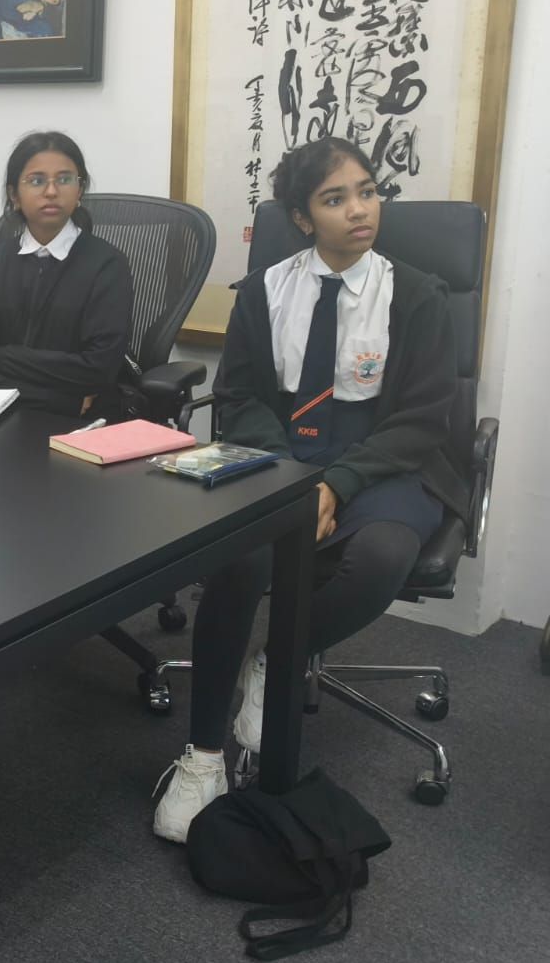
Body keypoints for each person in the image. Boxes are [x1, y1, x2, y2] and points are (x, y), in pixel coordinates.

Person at [153, 138, 469, 844]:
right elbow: (238, 396)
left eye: (367, 191)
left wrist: (338, 483)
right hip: (282, 453)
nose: (360, 210)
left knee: (383, 555)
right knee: (237, 561)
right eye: (335, 199)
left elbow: (424, 418)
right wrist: (293, 476)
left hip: (385, 460)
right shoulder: (264, 291)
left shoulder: (416, 294)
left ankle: (279, 658)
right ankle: (202, 757)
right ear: (302, 218)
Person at [0, 131, 131, 415]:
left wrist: (2, 357)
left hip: (83, 426)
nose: (51, 191)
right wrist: (58, 399)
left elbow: (99, 370)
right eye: (36, 181)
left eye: (64, 179)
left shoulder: (107, 266)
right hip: (6, 419)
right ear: (14, 195)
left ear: (79, 190)